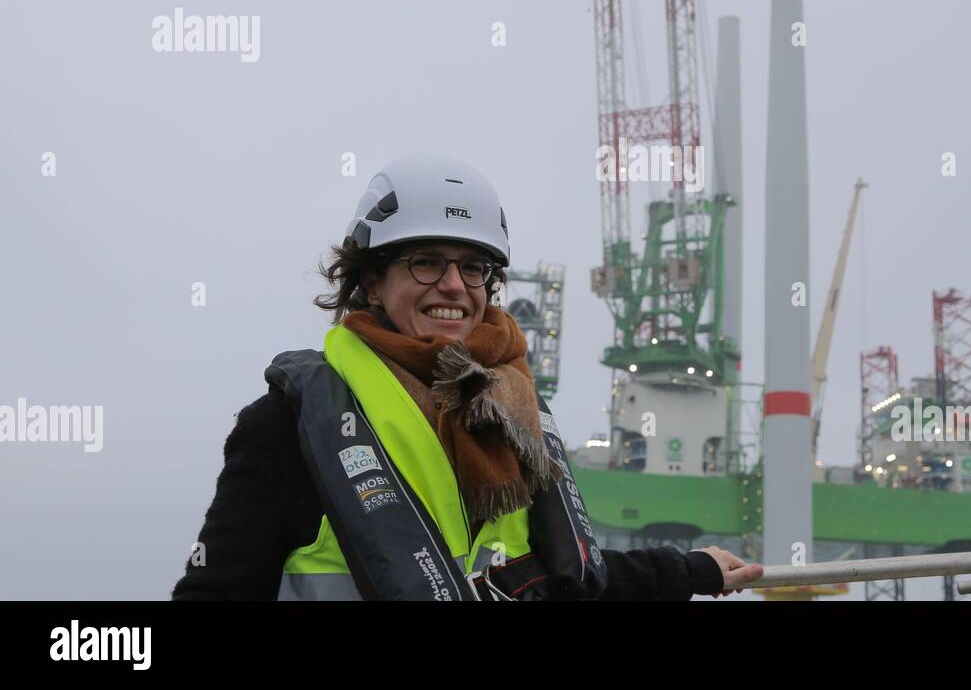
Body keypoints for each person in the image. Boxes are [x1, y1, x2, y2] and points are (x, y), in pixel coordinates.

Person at [172, 153, 763, 600]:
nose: (453, 286)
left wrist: (691, 570)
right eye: (425, 261)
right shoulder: (291, 426)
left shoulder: (513, 414)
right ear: (372, 282)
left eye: (473, 267)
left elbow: (561, 577)